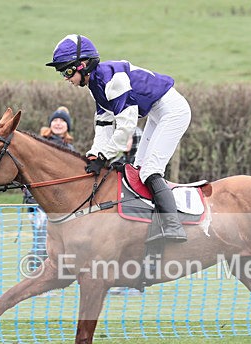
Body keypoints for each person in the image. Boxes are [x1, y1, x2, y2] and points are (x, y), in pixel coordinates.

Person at [45, 34, 191, 243]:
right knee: (138, 170)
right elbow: (103, 125)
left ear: (83, 65)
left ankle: (173, 225)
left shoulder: (112, 80)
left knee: (150, 170)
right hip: (157, 112)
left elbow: (126, 126)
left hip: (173, 111)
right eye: (63, 73)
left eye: (67, 71)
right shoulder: (95, 85)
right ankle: (151, 225)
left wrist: (106, 156)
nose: (66, 78)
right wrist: (95, 155)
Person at [23, 106, 76, 259]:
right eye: (55, 120)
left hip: (59, 204)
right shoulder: (39, 143)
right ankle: (37, 273)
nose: (58, 123)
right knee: (40, 241)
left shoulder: (69, 148)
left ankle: (51, 273)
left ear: (68, 126)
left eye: (62, 121)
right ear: (50, 124)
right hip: (37, 201)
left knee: (58, 242)